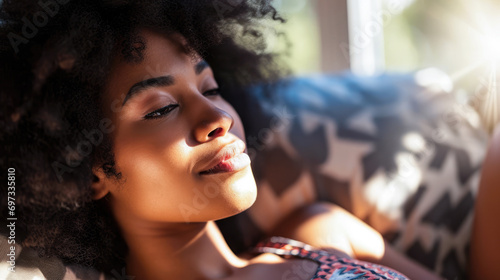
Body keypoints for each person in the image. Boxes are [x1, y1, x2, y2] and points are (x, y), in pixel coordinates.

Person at [0, 1, 442, 279]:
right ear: (89, 171)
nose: (217, 117)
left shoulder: (321, 230)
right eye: (159, 109)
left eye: (210, 89)